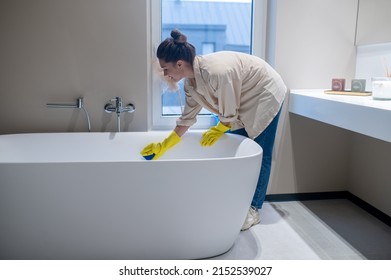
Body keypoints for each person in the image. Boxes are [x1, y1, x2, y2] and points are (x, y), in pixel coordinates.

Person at [141, 29, 287, 231]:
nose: (165, 74)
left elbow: (228, 114)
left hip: (265, 92)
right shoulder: (190, 85)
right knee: (238, 154)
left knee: (259, 152)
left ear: (180, 64)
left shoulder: (217, 72)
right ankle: (238, 202)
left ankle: (253, 209)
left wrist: (221, 128)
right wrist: (164, 145)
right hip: (243, 99)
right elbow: (187, 119)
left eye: (166, 68)